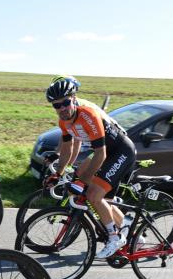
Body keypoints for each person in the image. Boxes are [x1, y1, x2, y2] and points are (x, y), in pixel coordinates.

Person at [44, 75, 137, 258]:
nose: (62, 108)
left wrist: (82, 182)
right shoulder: (64, 121)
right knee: (98, 195)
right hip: (107, 153)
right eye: (56, 105)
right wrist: (59, 173)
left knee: (93, 193)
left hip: (121, 151)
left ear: (74, 99)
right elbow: (68, 147)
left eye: (65, 103)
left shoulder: (88, 115)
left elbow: (100, 154)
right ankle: (132, 233)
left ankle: (114, 236)